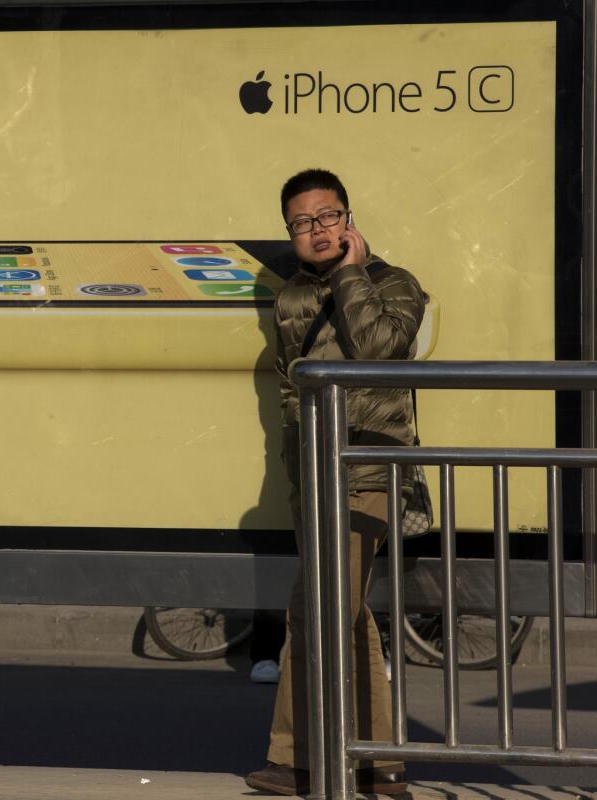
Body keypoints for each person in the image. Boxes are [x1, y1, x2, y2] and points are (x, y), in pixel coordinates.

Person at [245, 169, 425, 796]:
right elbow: (292, 386)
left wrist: (352, 272)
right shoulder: (291, 295)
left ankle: (297, 760)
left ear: (349, 219)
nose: (316, 231)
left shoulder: (395, 283)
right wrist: (298, 461)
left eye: (327, 217)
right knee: (340, 615)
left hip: (370, 468)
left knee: (319, 609)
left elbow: (379, 348)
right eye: (301, 223)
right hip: (315, 473)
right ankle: (379, 765)